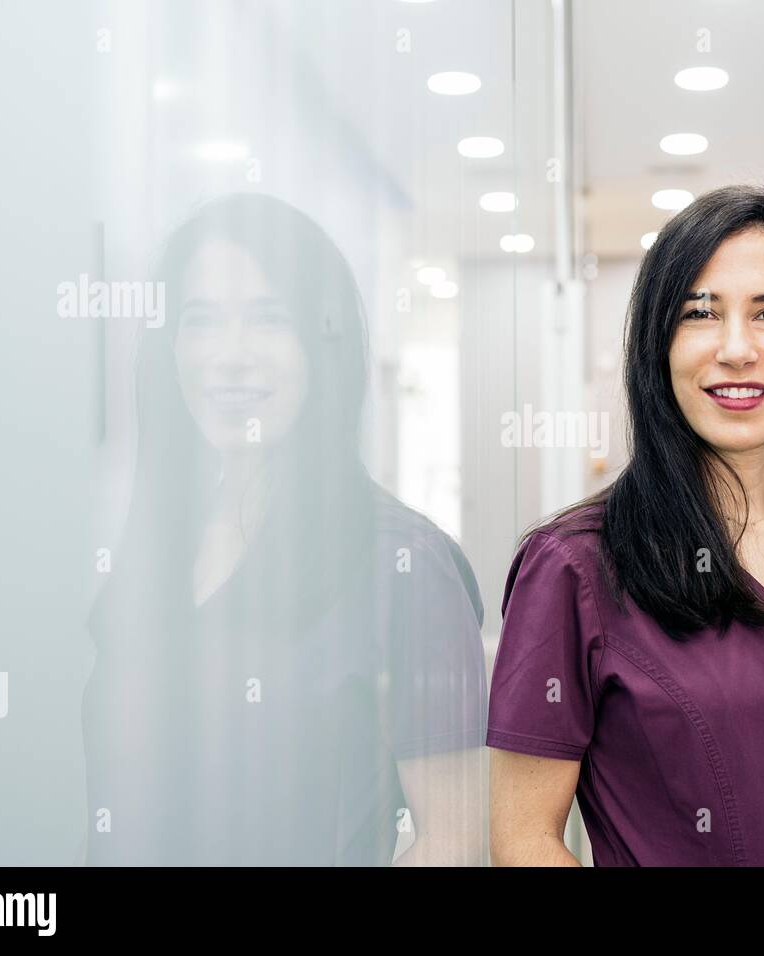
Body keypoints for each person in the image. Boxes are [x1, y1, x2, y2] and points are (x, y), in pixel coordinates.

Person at [486, 183, 764, 866]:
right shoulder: (575, 567)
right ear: (659, 346)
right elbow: (525, 839)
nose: (736, 349)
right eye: (701, 313)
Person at [79, 193, 487, 865]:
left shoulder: (405, 565)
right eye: (201, 321)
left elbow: (454, 843)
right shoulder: (158, 545)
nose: (229, 356)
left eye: (268, 320)